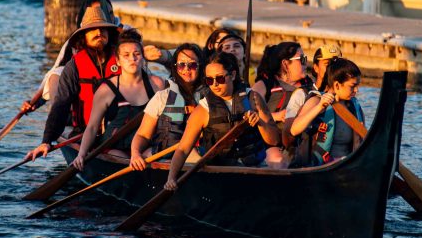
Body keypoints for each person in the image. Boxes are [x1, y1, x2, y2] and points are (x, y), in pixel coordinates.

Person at [24, 0, 121, 162]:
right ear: (83, 36)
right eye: (93, 30)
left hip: (119, 132)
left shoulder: (123, 58)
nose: (99, 33)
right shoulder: (74, 66)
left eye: (103, 29)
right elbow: (61, 104)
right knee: (56, 79)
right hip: (84, 132)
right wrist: (46, 141)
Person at [164, 52, 281, 190]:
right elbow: (183, 149)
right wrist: (171, 178)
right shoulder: (203, 110)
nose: (214, 85)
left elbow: (274, 141)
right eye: (209, 80)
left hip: (253, 170)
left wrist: (260, 123)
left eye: (219, 79)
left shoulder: (253, 98)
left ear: (232, 75)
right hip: (220, 174)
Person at [71, 30, 166, 168]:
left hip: (146, 145)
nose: (132, 59)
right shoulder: (106, 90)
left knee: (153, 155)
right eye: (126, 55)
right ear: (118, 61)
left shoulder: (157, 84)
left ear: (143, 58)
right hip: (115, 147)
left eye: (137, 54)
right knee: (120, 158)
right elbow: (92, 127)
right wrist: (81, 154)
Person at [129, 43, 204, 171]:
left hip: (195, 156)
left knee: (196, 159)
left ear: (200, 67)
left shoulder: (210, 98)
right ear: (175, 68)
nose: (186, 69)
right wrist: (135, 154)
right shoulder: (162, 97)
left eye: (192, 65)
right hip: (162, 155)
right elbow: (143, 134)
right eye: (181, 65)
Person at [289, 58, 365, 166]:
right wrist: (319, 107)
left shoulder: (355, 106)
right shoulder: (316, 101)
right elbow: (294, 130)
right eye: (352, 86)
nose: (357, 90)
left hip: (348, 166)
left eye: (357, 86)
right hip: (318, 166)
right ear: (337, 85)